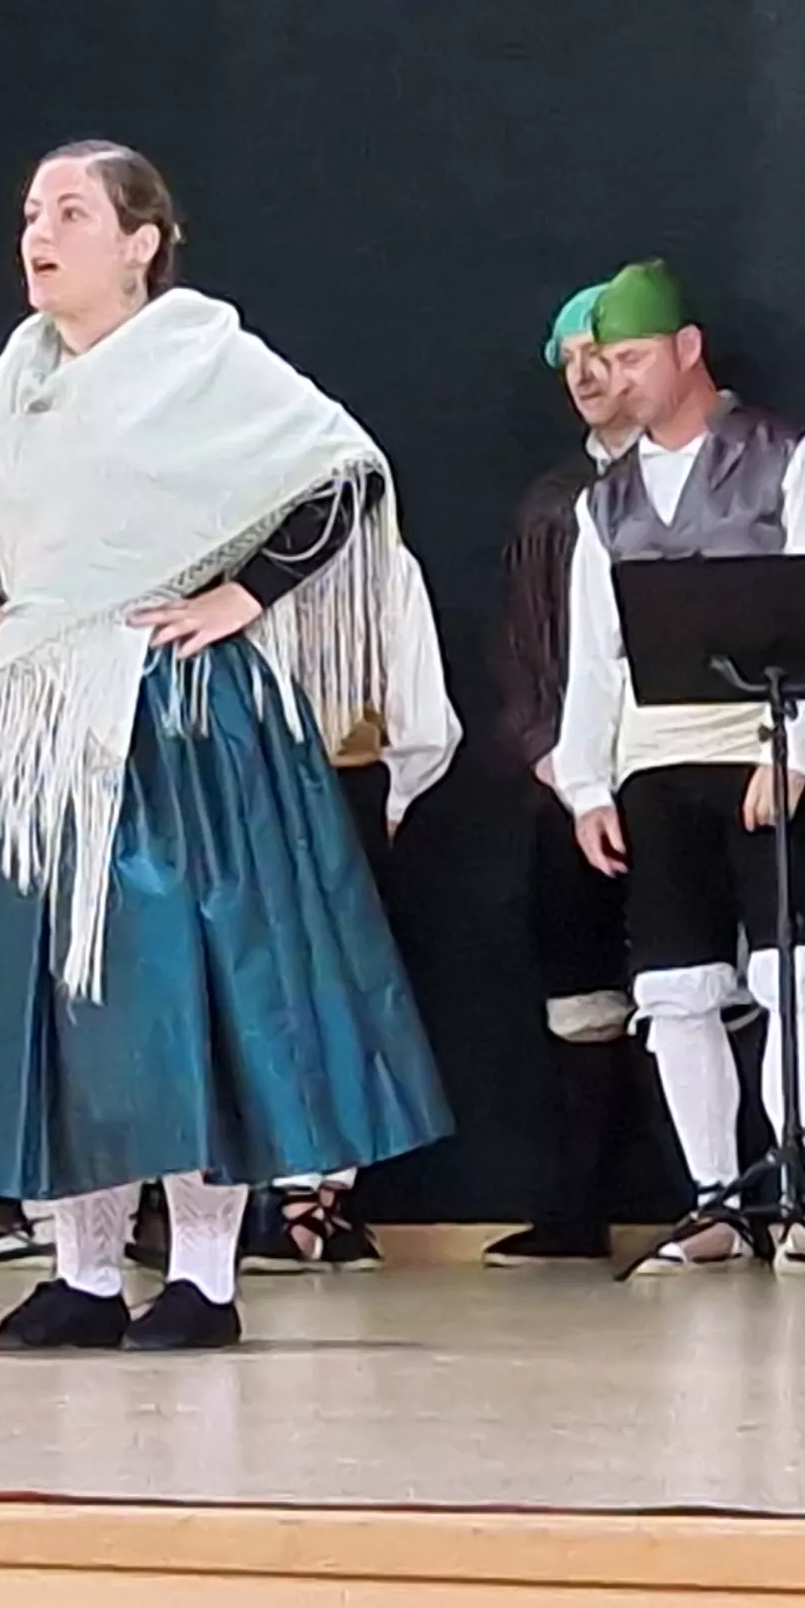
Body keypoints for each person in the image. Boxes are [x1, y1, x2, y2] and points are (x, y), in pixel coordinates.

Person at [0, 140, 450, 1353]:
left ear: (139, 240)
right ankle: (80, 1270)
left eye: (72, 211)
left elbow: (338, 472)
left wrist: (242, 593)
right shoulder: (16, 378)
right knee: (50, 990)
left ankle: (201, 1269)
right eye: (31, 210)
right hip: (32, 725)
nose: (40, 231)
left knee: (178, 984)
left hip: (168, 716)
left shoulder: (201, 356)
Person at [556, 261, 805, 1268]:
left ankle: (798, 1189)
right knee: (676, 982)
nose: (624, 377)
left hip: (760, 745)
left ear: (688, 349)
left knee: (796, 971)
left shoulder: (788, 456)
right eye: (611, 361)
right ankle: (711, 1200)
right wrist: (587, 783)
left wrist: (799, 747)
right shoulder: (602, 503)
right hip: (654, 757)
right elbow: (592, 649)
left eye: (637, 356)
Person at [480, 285, 645, 1265]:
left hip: (680, 768)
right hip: (569, 787)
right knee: (578, 995)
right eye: (569, 357)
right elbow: (521, 652)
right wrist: (558, 761)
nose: (585, 374)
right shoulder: (553, 503)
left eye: (604, 351)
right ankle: (577, 1205)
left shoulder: (705, 481)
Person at [249, 534, 456, 1270]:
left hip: (342, 780)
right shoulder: (223, 558)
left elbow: (417, 699)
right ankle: (274, 1192)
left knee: (334, 991)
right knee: (265, 988)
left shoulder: (381, 563)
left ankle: (313, 1193)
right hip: (245, 785)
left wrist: (397, 790)